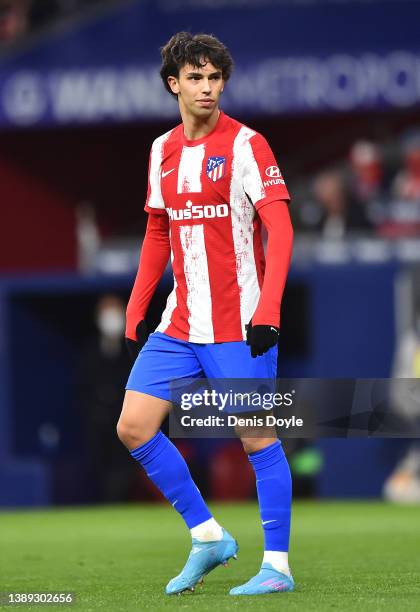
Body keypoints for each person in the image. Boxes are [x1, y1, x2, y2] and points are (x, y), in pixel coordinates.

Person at [116, 32, 294, 596]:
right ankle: (208, 535)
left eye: (215, 77)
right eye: (195, 77)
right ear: (174, 84)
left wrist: (268, 309)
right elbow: (156, 230)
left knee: (257, 438)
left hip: (239, 322)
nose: (207, 88)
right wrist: (137, 303)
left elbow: (281, 228)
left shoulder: (247, 145)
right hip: (179, 324)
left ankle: (278, 568)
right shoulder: (161, 150)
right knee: (133, 426)